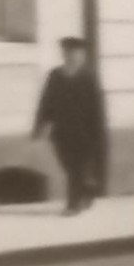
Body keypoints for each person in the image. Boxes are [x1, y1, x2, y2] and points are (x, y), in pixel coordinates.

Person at [32, 37, 108, 216]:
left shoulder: (89, 77)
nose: (72, 56)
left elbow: (97, 109)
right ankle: (86, 192)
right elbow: (46, 102)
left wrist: (98, 134)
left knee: (77, 168)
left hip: (84, 134)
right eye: (68, 52)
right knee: (68, 165)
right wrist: (39, 126)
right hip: (61, 133)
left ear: (82, 55)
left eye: (76, 53)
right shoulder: (55, 76)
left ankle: (73, 205)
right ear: (63, 54)